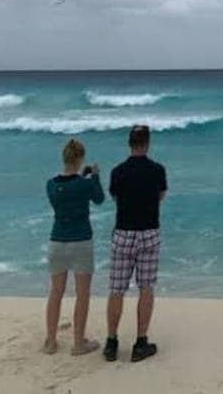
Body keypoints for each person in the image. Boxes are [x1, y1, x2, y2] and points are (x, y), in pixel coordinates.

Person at [104, 125, 168, 363]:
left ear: (129, 144)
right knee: (146, 287)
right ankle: (141, 341)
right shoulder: (157, 170)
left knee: (117, 289)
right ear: (147, 143)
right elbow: (161, 196)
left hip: (123, 232)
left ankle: (111, 342)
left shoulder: (118, 171)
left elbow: (115, 198)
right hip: (148, 232)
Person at [44, 138, 104, 355]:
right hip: (80, 242)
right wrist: (94, 175)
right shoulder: (84, 184)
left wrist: (81, 177)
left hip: (57, 241)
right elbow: (99, 198)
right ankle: (78, 343)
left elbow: (67, 193)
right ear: (80, 159)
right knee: (82, 294)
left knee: (56, 292)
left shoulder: (51, 185)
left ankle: (50, 341)